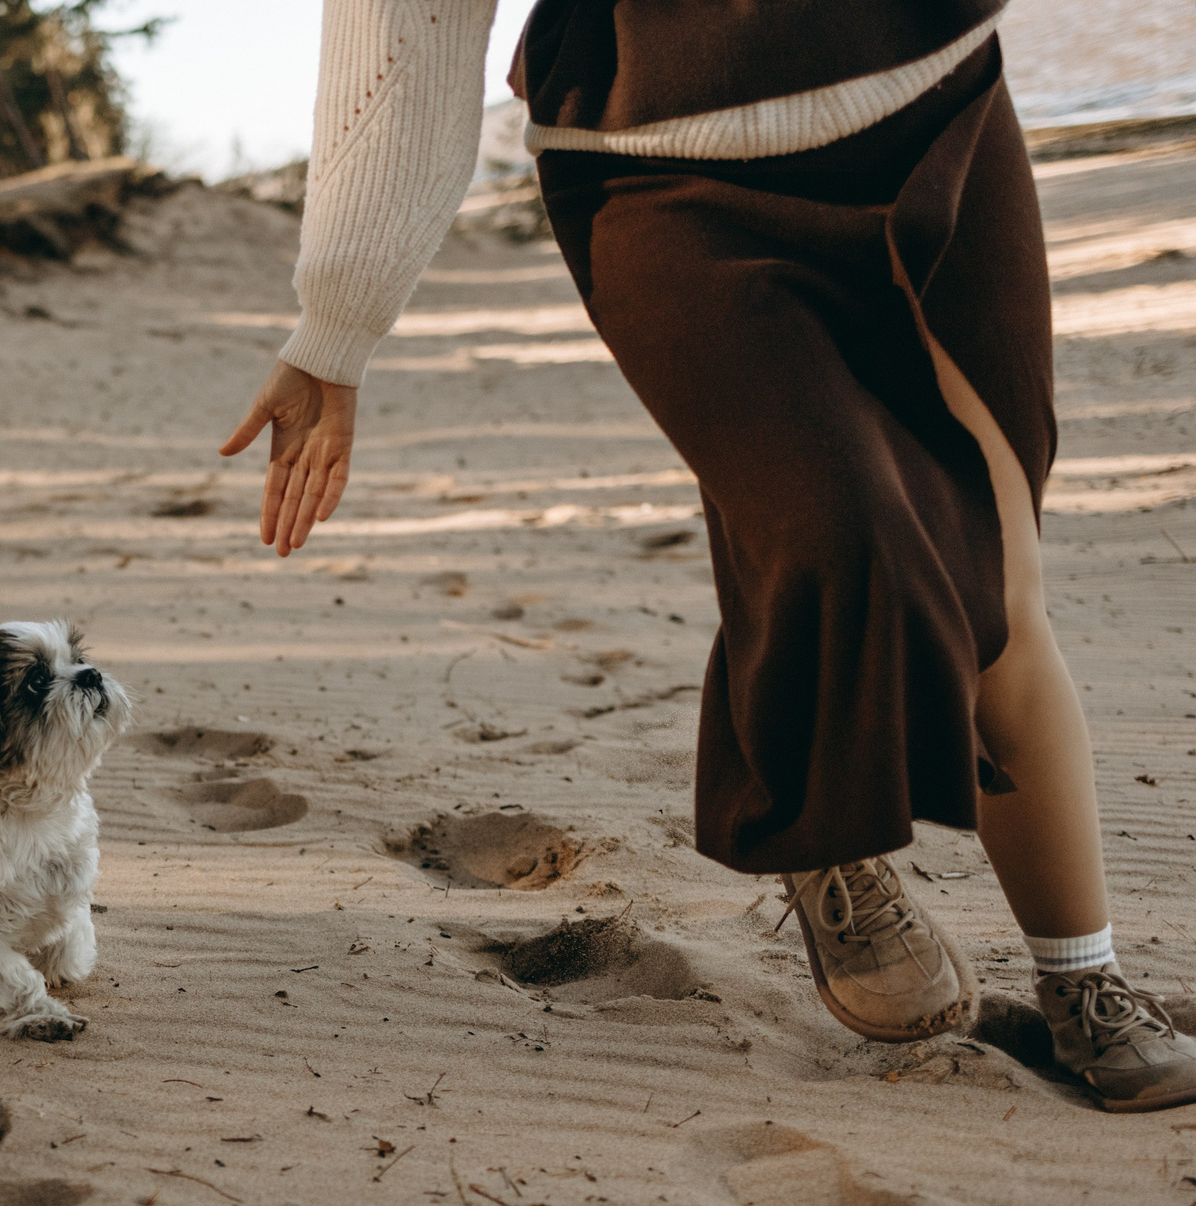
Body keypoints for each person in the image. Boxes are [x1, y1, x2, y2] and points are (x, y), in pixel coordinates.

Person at [220, 0, 1196, 1113]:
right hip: (659, 182)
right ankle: (814, 822)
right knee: (842, 534)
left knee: (1000, 585)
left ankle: (1085, 985)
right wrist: (335, 329)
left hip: (938, 105)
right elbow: (410, 24)